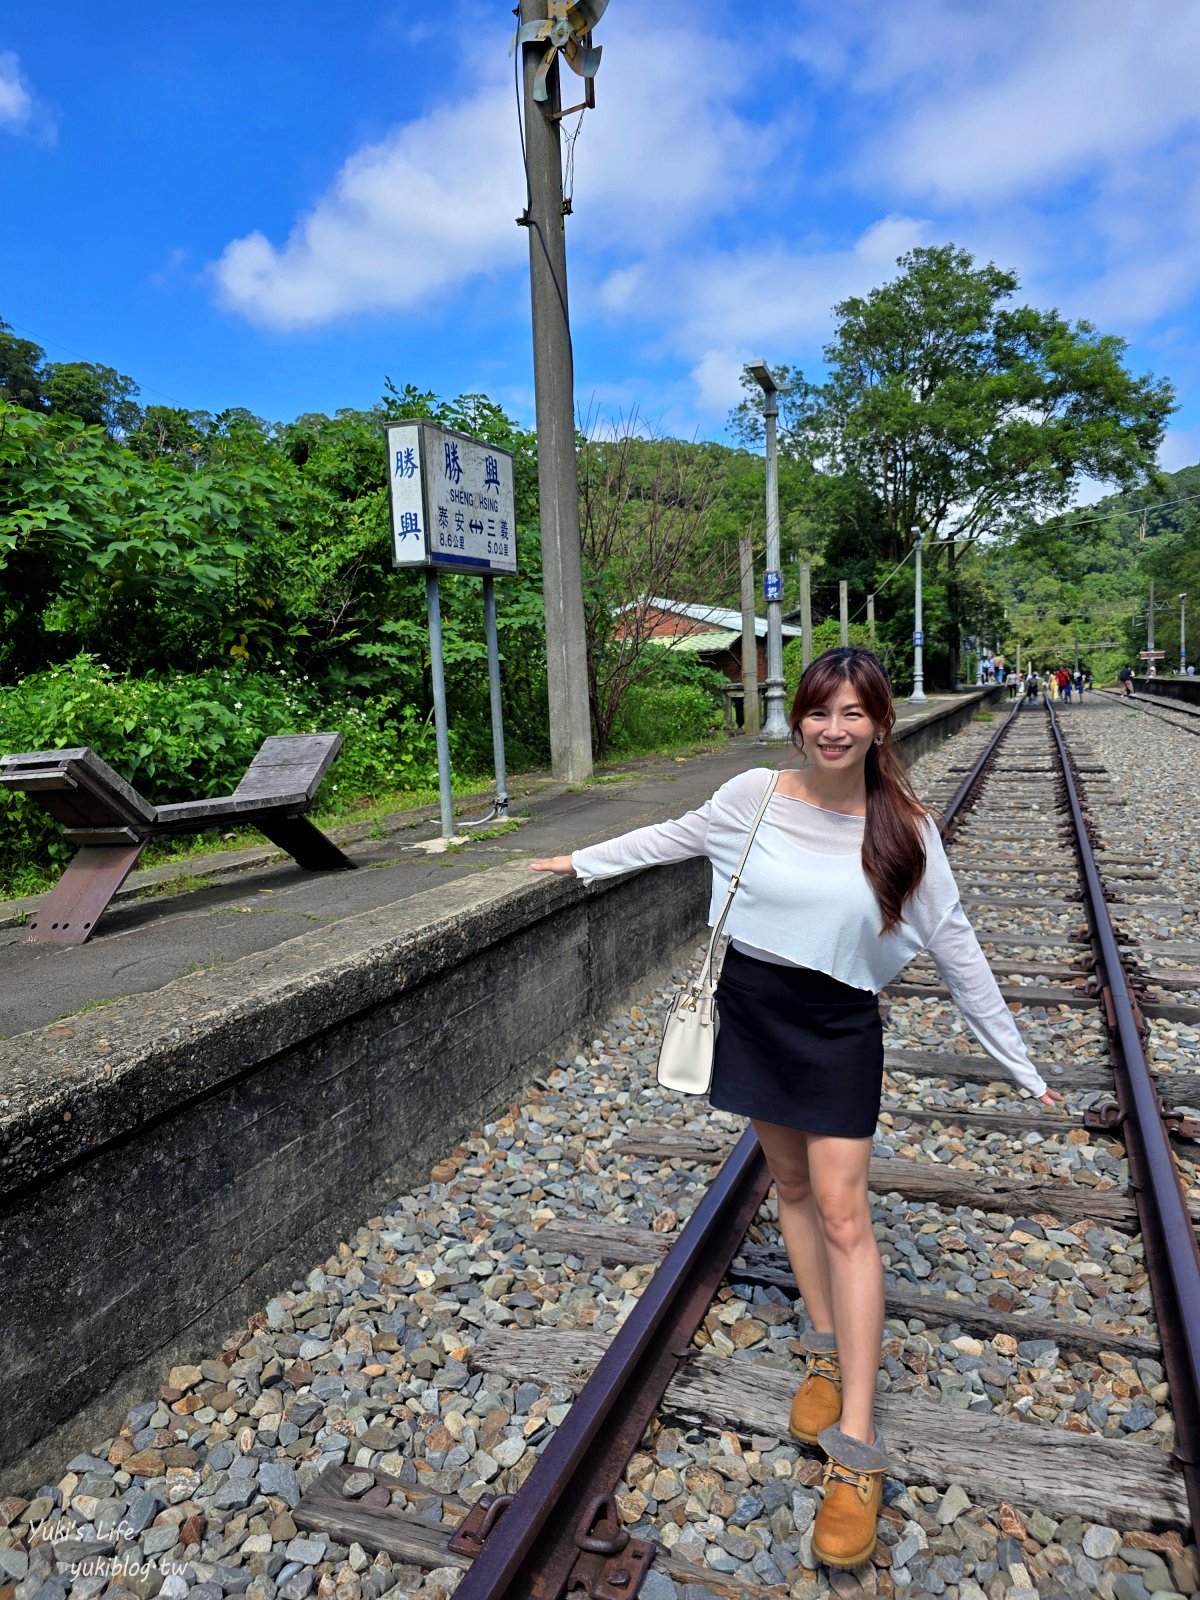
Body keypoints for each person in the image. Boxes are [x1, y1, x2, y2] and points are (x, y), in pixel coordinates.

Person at [531, 647, 1064, 1571]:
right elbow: (668, 836)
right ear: (800, 718)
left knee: (845, 1208)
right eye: (821, 711)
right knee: (790, 1185)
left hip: (838, 1024)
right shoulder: (752, 797)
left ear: (880, 724)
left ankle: (857, 1448)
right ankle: (820, 1347)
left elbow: (955, 942)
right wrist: (573, 860)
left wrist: (1016, 1060)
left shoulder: (905, 828)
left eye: (853, 712)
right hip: (753, 1006)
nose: (834, 728)